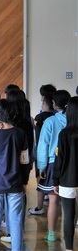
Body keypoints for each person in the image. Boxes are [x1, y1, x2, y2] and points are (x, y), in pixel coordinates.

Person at [0, 99, 30, 251]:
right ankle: (17, 248)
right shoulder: (20, 134)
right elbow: (24, 161)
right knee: (15, 221)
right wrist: (25, 181)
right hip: (15, 184)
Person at [36, 89, 71, 241]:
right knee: (72, 199)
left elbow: (43, 146)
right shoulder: (74, 119)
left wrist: (41, 167)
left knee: (53, 201)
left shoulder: (50, 122)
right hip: (71, 164)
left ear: (54, 104)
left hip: (52, 163)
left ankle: (51, 234)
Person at [53, 96, 78, 251]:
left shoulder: (63, 134)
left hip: (67, 180)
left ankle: (69, 248)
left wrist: (55, 180)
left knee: (68, 216)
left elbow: (59, 160)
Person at [28, 91, 55, 215]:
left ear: (44, 102)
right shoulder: (57, 117)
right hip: (55, 153)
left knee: (40, 177)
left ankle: (39, 207)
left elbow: (38, 136)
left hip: (42, 151)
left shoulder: (39, 118)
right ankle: (50, 199)